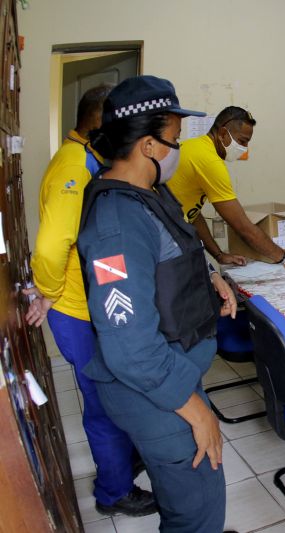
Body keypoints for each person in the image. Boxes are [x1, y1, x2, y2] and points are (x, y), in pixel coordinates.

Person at [77, 75, 238, 532]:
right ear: (149, 146)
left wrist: (210, 277)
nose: (179, 148)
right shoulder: (116, 223)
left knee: (188, 498)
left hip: (171, 372)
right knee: (197, 513)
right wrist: (196, 410)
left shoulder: (147, 192)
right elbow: (129, 347)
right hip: (152, 388)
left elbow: (168, 251)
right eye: (174, 138)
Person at [24, 84, 157, 517]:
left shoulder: (88, 161)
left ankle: (121, 461)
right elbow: (49, 247)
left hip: (87, 304)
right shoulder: (74, 167)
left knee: (113, 396)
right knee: (103, 403)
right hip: (75, 311)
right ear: (99, 123)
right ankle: (114, 492)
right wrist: (47, 292)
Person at [167, 106, 285, 276]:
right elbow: (242, 227)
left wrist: (219, 254)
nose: (244, 148)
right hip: (164, 238)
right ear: (223, 133)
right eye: (242, 141)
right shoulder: (210, 162)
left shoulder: (195, 147)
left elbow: (192, 215)